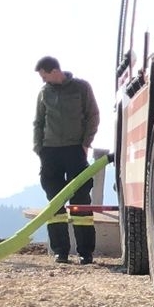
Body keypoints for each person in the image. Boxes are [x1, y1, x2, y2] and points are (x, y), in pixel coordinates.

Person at [34, 56, 101, 265]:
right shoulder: (44, 93)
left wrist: (86, 143)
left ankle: (85, 252)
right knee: (55, 203)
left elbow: (93, 115)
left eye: (44, 76)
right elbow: (38, 122)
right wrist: (39, 148)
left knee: (81, 200)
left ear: (54, 71)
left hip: (75, 151)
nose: (43, 81)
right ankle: (60, 251)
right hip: (50, 152)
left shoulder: (81, 88)